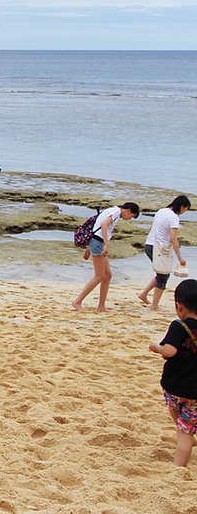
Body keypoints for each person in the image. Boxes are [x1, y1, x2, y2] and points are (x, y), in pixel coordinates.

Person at [148, 278, 197, 466]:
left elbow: (169, 351)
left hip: (174, 387)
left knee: (182, 432)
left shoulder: (179, 326)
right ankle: (188, 430)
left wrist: (156, 347)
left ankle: (178, 468)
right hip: (194, 391)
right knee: (186, 424)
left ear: (179, 306)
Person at [72, 202, 140, 312]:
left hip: (97, 242)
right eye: (131, 216)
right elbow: (103, 225)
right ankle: (77, 301)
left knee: (107, 275)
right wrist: (106, 245)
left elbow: (96, 227)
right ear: (128, 210)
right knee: (99, 276)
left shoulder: (113, 211)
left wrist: (89, 248)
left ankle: (101, 306)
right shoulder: (116, 211)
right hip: (98, 243)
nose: (129, 219)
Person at [139, 196, 191, 311]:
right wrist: (180, 257)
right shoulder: (174, 218)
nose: (183, 212)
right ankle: (154, 306)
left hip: (149, 244)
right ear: (182, 206)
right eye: (185, 209)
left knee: (161, 272)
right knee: (164, 275)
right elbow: (173, 238)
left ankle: (144, 294)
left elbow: (152, 227)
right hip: (159, 247)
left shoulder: (161, 211)